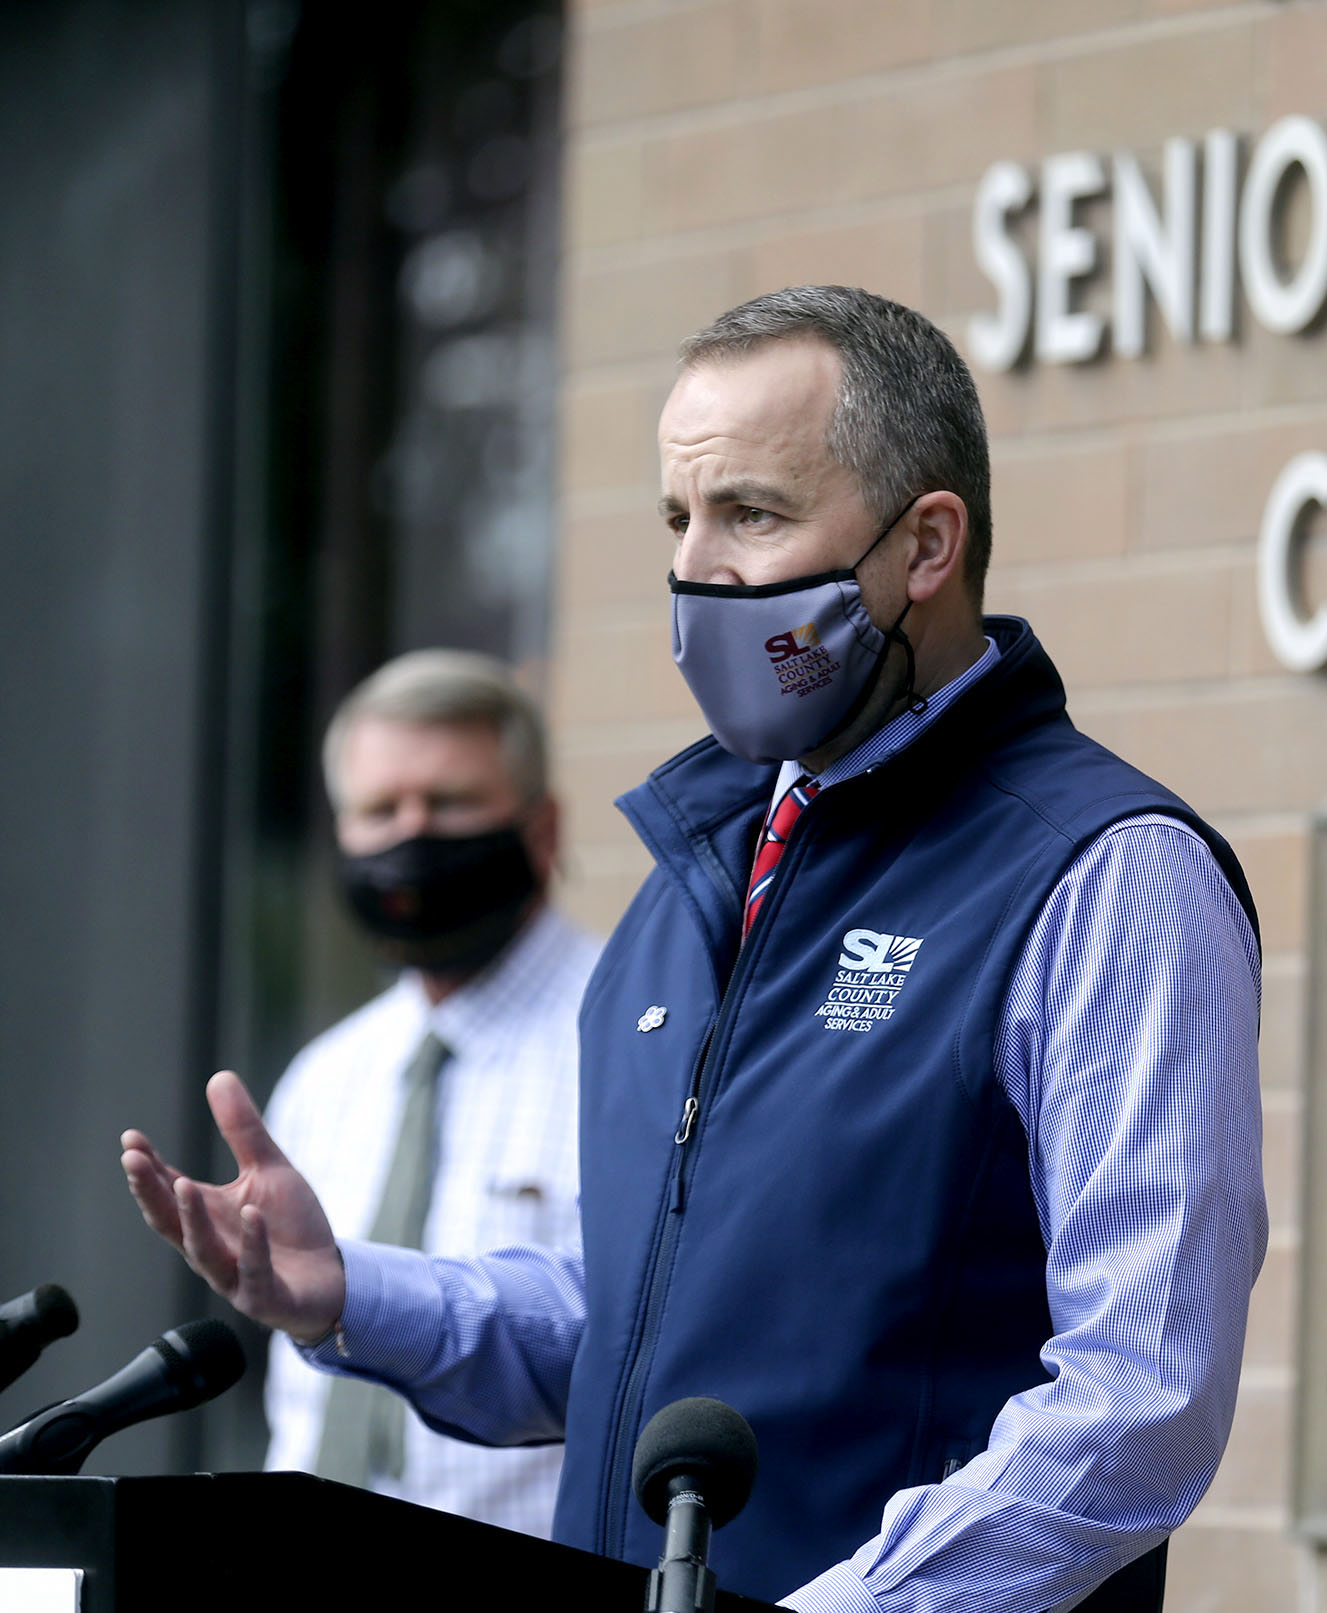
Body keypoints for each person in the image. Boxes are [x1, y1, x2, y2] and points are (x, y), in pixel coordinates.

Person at [121, 287, 1266, 1613]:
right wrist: (351, 1296)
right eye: (680, 519)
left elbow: (1141, 1397)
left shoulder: (1107, 872)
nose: (699, 569)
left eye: (754, 514)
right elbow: (640, 1322)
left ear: (927, 545)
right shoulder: (694, 881)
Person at [257, 649, 599, 1537]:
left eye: (448, 803)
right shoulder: (326, 1076)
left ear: (543, 829)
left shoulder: (637, 1043)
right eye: (379, 811)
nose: (411, 836)